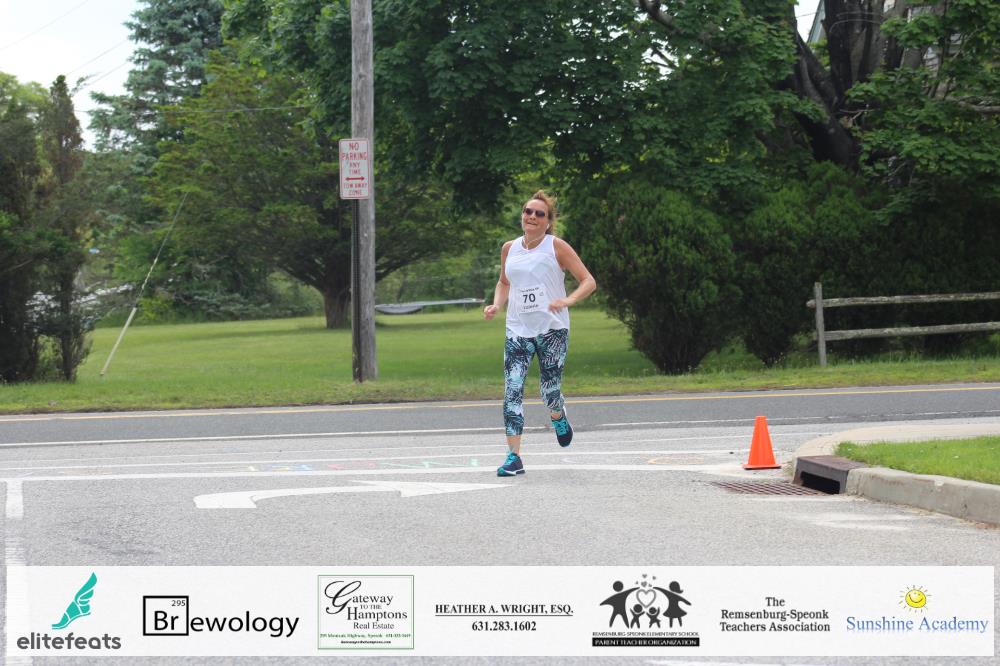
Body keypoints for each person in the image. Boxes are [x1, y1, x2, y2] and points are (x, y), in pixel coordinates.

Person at [483, 190, 597, 477]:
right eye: (528, 211)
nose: (531, 216)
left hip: (552, 330)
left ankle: (558, 415)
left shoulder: (556, 246)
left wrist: (569, 300)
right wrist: (496, 304)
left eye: (539, 214)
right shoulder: (509, 248)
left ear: (548, 221)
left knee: (549, 391)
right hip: (517, 330)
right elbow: (504, 282)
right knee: (512, 390)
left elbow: (588, 280)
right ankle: (514, 457)